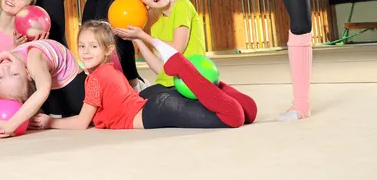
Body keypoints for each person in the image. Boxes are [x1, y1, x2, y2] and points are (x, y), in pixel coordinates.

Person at [29, 21, 257, 130]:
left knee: (232, 117)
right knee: (248, 110)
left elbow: (81, 122)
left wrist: (51, 121)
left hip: (156, 110)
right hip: (154, 102)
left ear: (108, 50)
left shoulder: (95, 79)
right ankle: (219, 86)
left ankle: (183, 67)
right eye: (82, 46)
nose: (86, 51)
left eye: (93, 46)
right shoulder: (110, 70)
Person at [0, 38, 86, 137]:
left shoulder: (34, 58)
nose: (5, 67)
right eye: (13, 74)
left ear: (28, 73)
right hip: (50, 84)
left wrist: (10, 126)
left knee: (79, 108)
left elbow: (43, 90)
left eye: (13, 74)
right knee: (35, 114)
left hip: (71, 82)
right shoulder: (1, 70)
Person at [114, 0, 206, 97]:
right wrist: (137, 39)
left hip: (190, 82)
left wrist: (142, 36)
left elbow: (176, 49)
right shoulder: (156, 28)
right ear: (145, 5)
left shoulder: (182, 5)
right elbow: (160, 69)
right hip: (169, 84)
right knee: (136, 101)